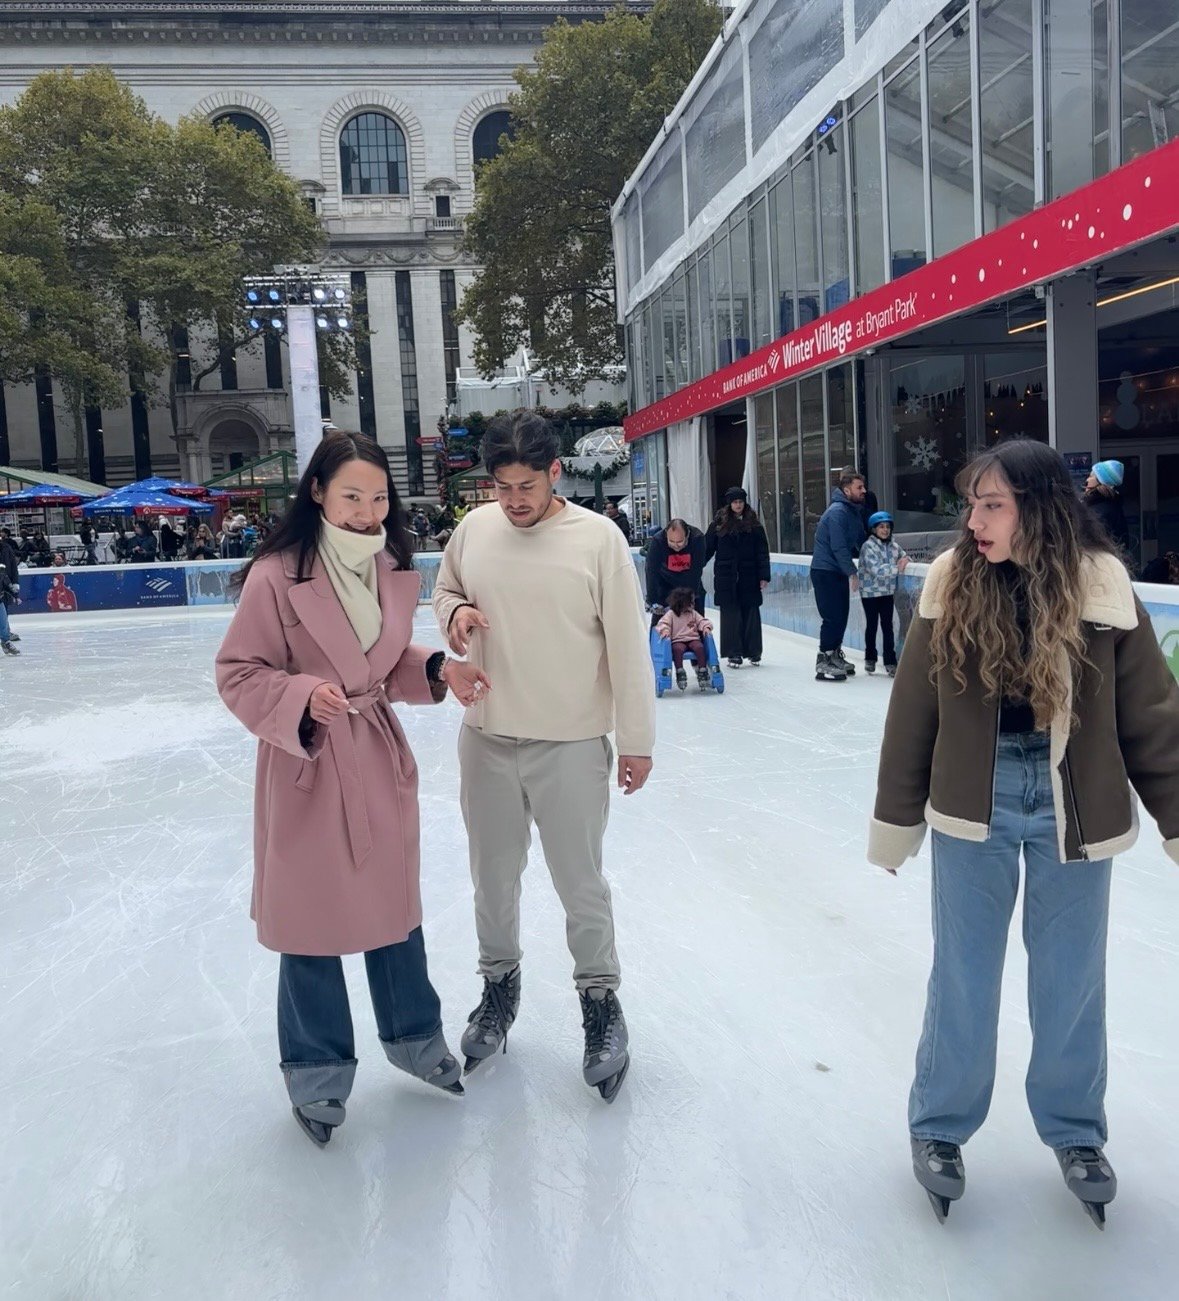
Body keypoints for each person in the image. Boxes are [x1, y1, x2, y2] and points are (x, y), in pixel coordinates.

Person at [869, 438, 1179, 1229]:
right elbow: (914, 710)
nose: (972, 519)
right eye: (971, 503)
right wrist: (898, 817)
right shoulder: (949, 580)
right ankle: (939, 1126)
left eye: (991, 504)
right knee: (964, 974)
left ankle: (1075, 1133)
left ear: (1036, 507)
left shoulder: (1101, 584)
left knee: (1071, 980)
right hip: (975, 795)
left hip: (1073, 801)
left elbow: (1151, 716)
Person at [215, 432, 488, 1148]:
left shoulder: (392, 566)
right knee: (310, 927)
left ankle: (415, 1039)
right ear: (317, 493)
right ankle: (317, 1071)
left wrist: (435, 671)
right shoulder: (276, 576)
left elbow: (385, 659)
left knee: (393, 915)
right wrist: (303, 697)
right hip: (306, 766)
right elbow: (239, 671)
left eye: (377, 498)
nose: (367, 513)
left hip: (373, 756)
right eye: (351, 497)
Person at [432, 410, 655, 1104]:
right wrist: (456, 615)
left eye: (525, 485)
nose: (513, 500)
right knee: (491, 879)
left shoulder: (597, 539)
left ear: (555, 474)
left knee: (579, 883)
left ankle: (600, 1003)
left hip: (569, 742)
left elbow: (626, 644)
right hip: (488, 738)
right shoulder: (474, 530)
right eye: (501, 487)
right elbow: (443, 590)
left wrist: (636, 739)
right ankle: (498, 989)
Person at [809, 468, 868, 682]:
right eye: (859, 487)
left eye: (863, 487)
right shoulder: (837, 513)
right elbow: (839, 547)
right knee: (832, 616)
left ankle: (835, 654)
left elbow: (862, 541)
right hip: (824, 571)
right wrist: (852, 572)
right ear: (846, 490)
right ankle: (823, 660)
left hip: (835, 571)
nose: (864, 491)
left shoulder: (852, 512)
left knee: (841, 614)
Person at [705, 487, 771, 669]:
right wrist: (695, 566)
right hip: (727, 576)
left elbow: (762, 552)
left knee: (750, 613)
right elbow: (707, 548)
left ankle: (753, 651)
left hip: (749, 575)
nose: (738, 505)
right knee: (731, 614)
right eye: (735, 502)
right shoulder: (719, 524)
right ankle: (733, 652)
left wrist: (764, 575)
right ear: (729, 504)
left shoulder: (754, 525)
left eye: (741, 502)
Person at [857, 511, 909, 676]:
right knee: (872, 625)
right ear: (874, 529)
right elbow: (876, 570)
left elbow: (904, 556)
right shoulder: (868, 547)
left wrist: (906, 560)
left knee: (888, 627)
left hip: (887, 591)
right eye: (881, 527)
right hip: (870, 593)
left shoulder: (894, 545)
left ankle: (890, 661)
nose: (885, 530)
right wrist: (897, 568)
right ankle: (870, 658)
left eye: (887, 527)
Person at [655, 587, 714, 691]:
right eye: (690, 602)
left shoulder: (693, 613)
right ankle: (680, 671)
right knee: (677, 650)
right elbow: (663, 623)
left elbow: (702, 621)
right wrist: (665, 631)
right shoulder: (671, 614)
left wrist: (706, 627)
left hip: (692, 638)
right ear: (682, 602)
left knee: (700, 647)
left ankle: (702, 670)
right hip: (678, 640)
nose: (693, 604)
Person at [645, 517, 707, 615]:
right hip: (665, 586)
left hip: (690, 584)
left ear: (687, 536)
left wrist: (689, 599)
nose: (676, 546)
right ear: (666, 535)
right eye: (671, 542)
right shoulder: (658, 541)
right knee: (660, 625)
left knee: (695, 623)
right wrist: (652, 600)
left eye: (679, 542)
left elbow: (696, 571)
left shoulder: (697, 538)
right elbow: (651, 571)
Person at [1082, 460, 1129, 551]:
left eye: (1091, 476)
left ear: (1101, 481)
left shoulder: (1099, 512)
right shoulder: (1112, 507)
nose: (1087, 480)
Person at [0, 532, 20, 654]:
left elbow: (7, 576)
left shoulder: (6, 548)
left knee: (3, 620)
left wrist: (15, 593)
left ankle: (6, 641)